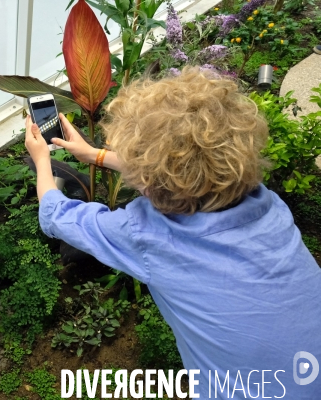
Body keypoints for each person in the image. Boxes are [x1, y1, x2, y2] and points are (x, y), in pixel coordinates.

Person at [24, 67, 321, 399]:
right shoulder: (268, 205)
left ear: (149, 182)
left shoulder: (150, 236)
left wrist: (41, 161)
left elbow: (56, 214)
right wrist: (94, 156)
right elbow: (188, 172)